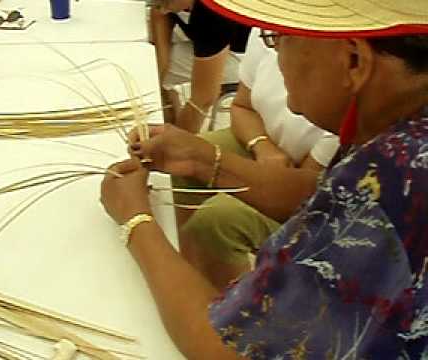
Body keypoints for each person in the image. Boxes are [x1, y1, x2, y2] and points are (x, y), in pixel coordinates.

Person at [100, 0, 428, 358]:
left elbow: (229, 350)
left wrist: (136, 220)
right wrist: (201, 158)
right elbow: (325, 197)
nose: (273, 51)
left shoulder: (398, 175)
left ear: (353, 61)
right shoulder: (395, 122)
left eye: (280, 37)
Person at [172, 27, 339, 290]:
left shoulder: (337, 77)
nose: (274, 43)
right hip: (264, 143)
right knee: (187, 156)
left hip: (313, 187)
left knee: (216, 220)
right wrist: (263, 147)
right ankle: (190, 272)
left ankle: (229, 313)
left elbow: (304, 188)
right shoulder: (266, 31)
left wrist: (137, 222)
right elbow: (241, 106)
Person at [150, 0, 250, 132]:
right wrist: (161, 69)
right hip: (211, 33)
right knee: (152, 59)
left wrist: (175, 142)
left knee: (148, 66)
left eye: (165, 4)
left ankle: (170, 124)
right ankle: (169, 111)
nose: (162, 9)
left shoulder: (214, 15)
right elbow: (159, 15)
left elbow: (204, 98)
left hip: (242, 56)